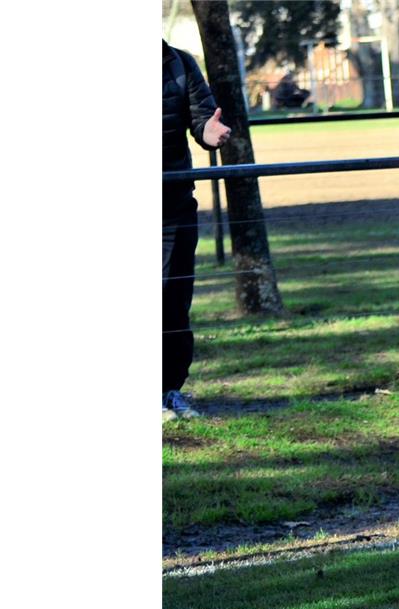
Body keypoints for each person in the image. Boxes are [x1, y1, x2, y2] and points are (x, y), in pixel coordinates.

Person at [163, 41, 231, 421]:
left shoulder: (179, 62)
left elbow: (202, 118)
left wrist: (212, 131)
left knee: (173, 302)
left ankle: (168, 390)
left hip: (172, 206)